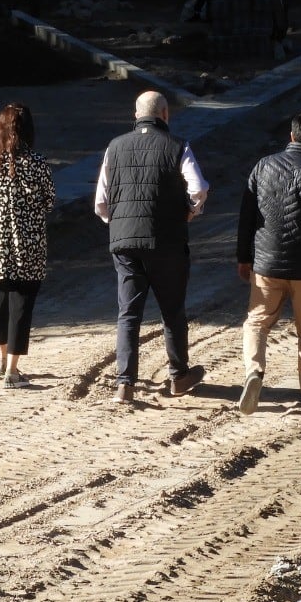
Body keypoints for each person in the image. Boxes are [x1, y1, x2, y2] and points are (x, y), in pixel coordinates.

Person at [94, 90, 209, 404]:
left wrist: (119, 225)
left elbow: (101, 204)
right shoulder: (177, 145)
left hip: (125, 242)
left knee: (128, 314)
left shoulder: (114, 147)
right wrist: (190, 211)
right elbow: (198, 188)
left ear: (136, 115)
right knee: (172, 312)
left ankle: (125, 384)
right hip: (167, 241)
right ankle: (178, 376)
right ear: (165, 114)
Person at [234, 112, 301, 413]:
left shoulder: (263, 166)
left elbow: (247, 217)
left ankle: (254, 372)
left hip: (266, 264)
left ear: (291, 136)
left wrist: (244, 257)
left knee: (257, 322)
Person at [0, 102, 57, 388]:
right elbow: (49, 200)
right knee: (21, 305)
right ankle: (12, 370)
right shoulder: (37, 163)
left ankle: (0, 358)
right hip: (28, 245)